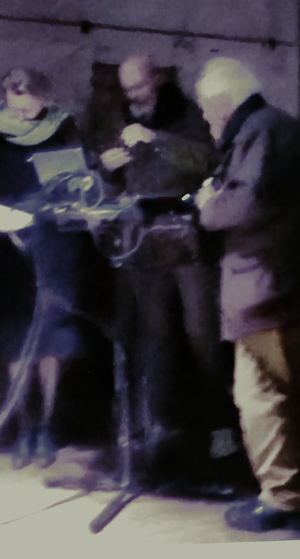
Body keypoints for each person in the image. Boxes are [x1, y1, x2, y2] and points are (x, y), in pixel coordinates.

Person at [194, 58, 300, 532]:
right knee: (284, 391)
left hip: (269, 286)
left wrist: (208, 204)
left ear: (223, 104)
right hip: (284, 282)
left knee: (259, 394)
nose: (205, 119)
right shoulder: (274, 127)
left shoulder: (261, 132)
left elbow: (245, 203)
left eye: (206, 109)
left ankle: (284, 496)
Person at [98, 55, 237, 490]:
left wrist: (156, 138)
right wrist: (107, 169)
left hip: (187, 240)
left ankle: (220, 433)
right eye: (127, 89)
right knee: (154, 339)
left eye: (139, 87)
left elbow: (207, 161)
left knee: (203, 339)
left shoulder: (188, 114)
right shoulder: (120, 117)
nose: (133, 96)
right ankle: (163, 430)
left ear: (157, 79)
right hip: (143, 241)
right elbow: (115, 185)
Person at [0, 69, 113, 470]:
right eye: (13, 107)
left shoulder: (64, 127)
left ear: (45, 99)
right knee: (14, 338)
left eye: (27, 108)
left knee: (51, 338)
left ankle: (47, 425)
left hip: (52, 245)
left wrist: (57, 207)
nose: (19, 115)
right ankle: (24, 424)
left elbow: (76, 184)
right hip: (9, 247)